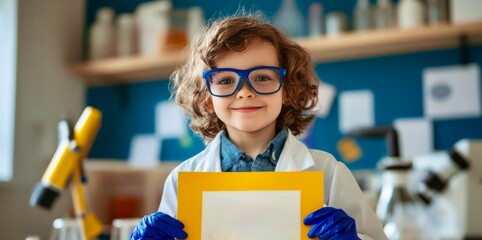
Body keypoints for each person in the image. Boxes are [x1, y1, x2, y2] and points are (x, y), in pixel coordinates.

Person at [131, 13, 387, 240]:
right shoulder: (182, 179)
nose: (244, 92)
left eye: (262, 77)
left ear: (287, 90)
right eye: (226, 80)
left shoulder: (328, 172)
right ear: (206, 98)